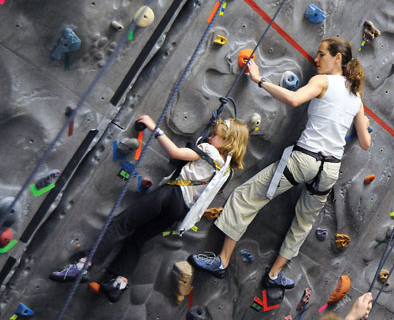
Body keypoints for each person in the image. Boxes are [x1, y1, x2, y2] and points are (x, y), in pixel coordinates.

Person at [189, 37, 371, 289]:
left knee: (245, 197)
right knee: (303, 223)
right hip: (329, 170)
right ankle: (274, 275)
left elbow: (295, 99)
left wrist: (260, 80)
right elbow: (365, 143)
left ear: (337, 59)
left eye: (321, 55)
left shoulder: (323, 81)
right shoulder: (356, 96)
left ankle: (221, 262)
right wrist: (365, 126)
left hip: (304, 160)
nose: (316, 60)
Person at [49, 115, 249, 302]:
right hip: (180, 210)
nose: (211, 137)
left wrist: (154, 126)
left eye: (216, 135)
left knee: (121, 224)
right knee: (138, 239)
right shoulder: (226, 171)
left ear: (228, 141)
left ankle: (85, 264)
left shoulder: (208, 150)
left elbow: (175, 153)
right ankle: (119, 282)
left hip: (170, 194)